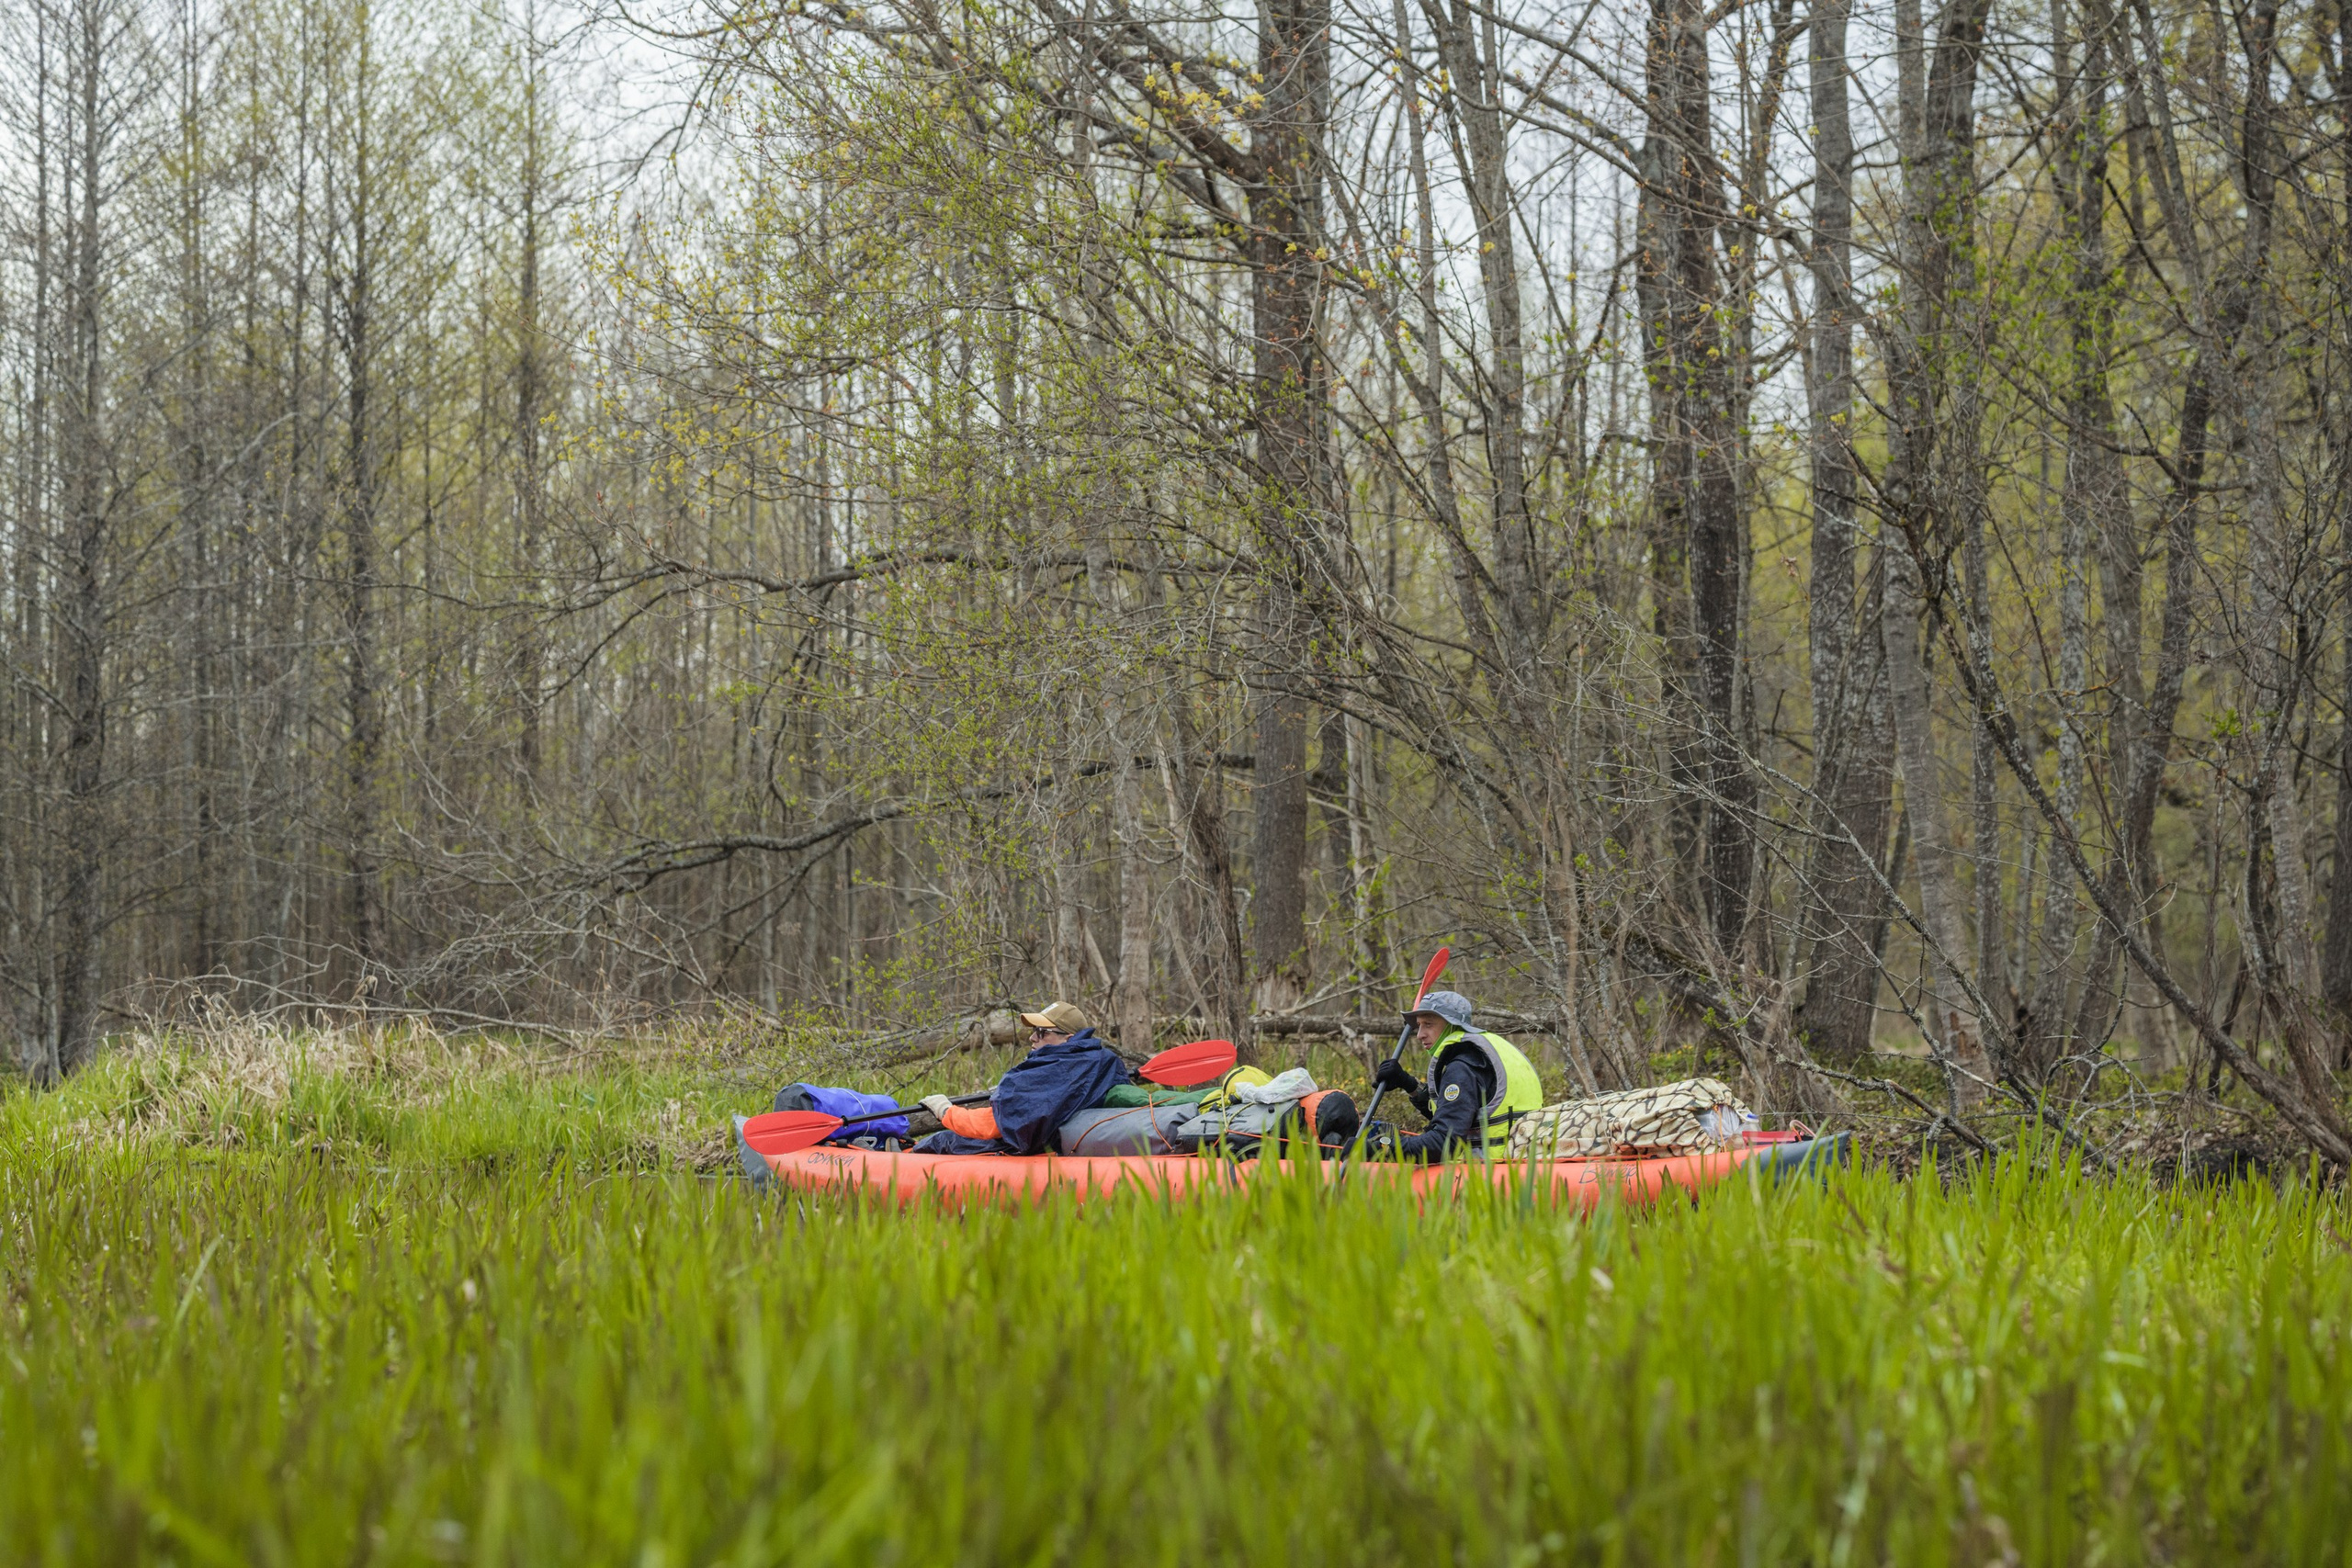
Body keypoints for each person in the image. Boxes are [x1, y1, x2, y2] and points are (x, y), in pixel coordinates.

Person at [911, 1001, 1130, 1155]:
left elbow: (991, 1126)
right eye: (1035, 1030)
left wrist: (945, 1111)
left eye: (1042, 1032)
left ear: (1068, 1039)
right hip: (1067, 1144)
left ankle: (905, 1151)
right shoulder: (1107, 1061)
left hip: (1035, 1150)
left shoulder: (1047, 1072)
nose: (1032, 1037)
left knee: (941, 1142)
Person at [1363, 990, 1544, 1162]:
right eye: (1418, 1026)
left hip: (1485, 1172)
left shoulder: (1462, 1067)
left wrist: (1379, 1148)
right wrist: (1409, 1084)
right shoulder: (1494, 1051)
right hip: (1521, 1160)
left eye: (1428, 1024)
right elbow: (1461, 1114)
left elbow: (1442, 1143)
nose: (1419, 1035)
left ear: (1452, 1024)